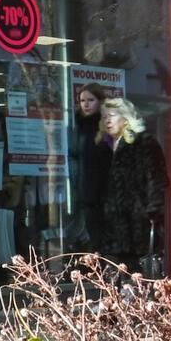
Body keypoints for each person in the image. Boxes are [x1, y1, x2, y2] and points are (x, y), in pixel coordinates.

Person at [98, 96, 168, 271]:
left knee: (137, 276)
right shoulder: (104, 146)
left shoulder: (143, 142)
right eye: (104, 116)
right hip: (113, 228)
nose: (107, 120)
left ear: (126, 116)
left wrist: (153, 213)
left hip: (138, 224)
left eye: (112, 115)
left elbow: (157, 179)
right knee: (114, 277)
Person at [69, 79, 111, 249]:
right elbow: (74, 158)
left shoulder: (107, 126)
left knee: (101, 239)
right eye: (82, 100)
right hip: (84, 193)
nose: (86, 104)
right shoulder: (78, 126)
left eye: (90, 100)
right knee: (90, 239)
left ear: (100, 101)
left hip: (104, 193)